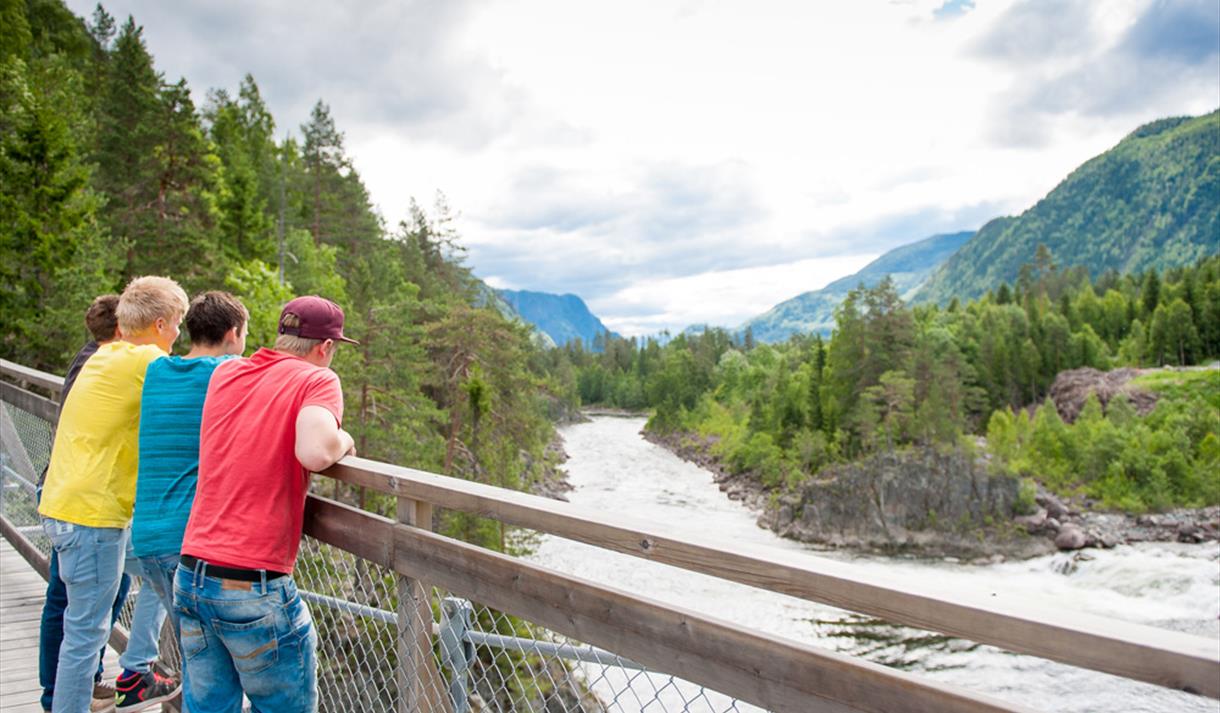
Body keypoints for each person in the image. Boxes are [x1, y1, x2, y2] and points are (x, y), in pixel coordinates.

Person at [176, 295, 357, 713]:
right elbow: (315, 451)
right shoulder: (317, 379)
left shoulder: (228, 372)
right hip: (250, 582)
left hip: (192, 574)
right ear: (325, 348)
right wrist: (345, 440)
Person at [38, 277, 188, 713]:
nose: (179, 335)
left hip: (67, 506)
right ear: (161, 324)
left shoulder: (106, 356)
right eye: (177, 324)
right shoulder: (146, 361)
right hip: (92, 516)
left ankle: (136, 665)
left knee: (157, 575)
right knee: (85, 633)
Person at [125, 292, 248, 708]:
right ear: (233, 334)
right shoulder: (228, 372)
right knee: (211, 672)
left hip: (149, 538)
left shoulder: (158, 370)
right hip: (190, 543)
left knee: (199, 658)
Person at [37, 295, 135, 713]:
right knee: (74, 608)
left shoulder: (93, 360)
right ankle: (56, 694)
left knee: (84, 599)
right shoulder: (103, 364)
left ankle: (75, 685)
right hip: (81, 503)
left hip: (67, 495)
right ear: (120, 328)